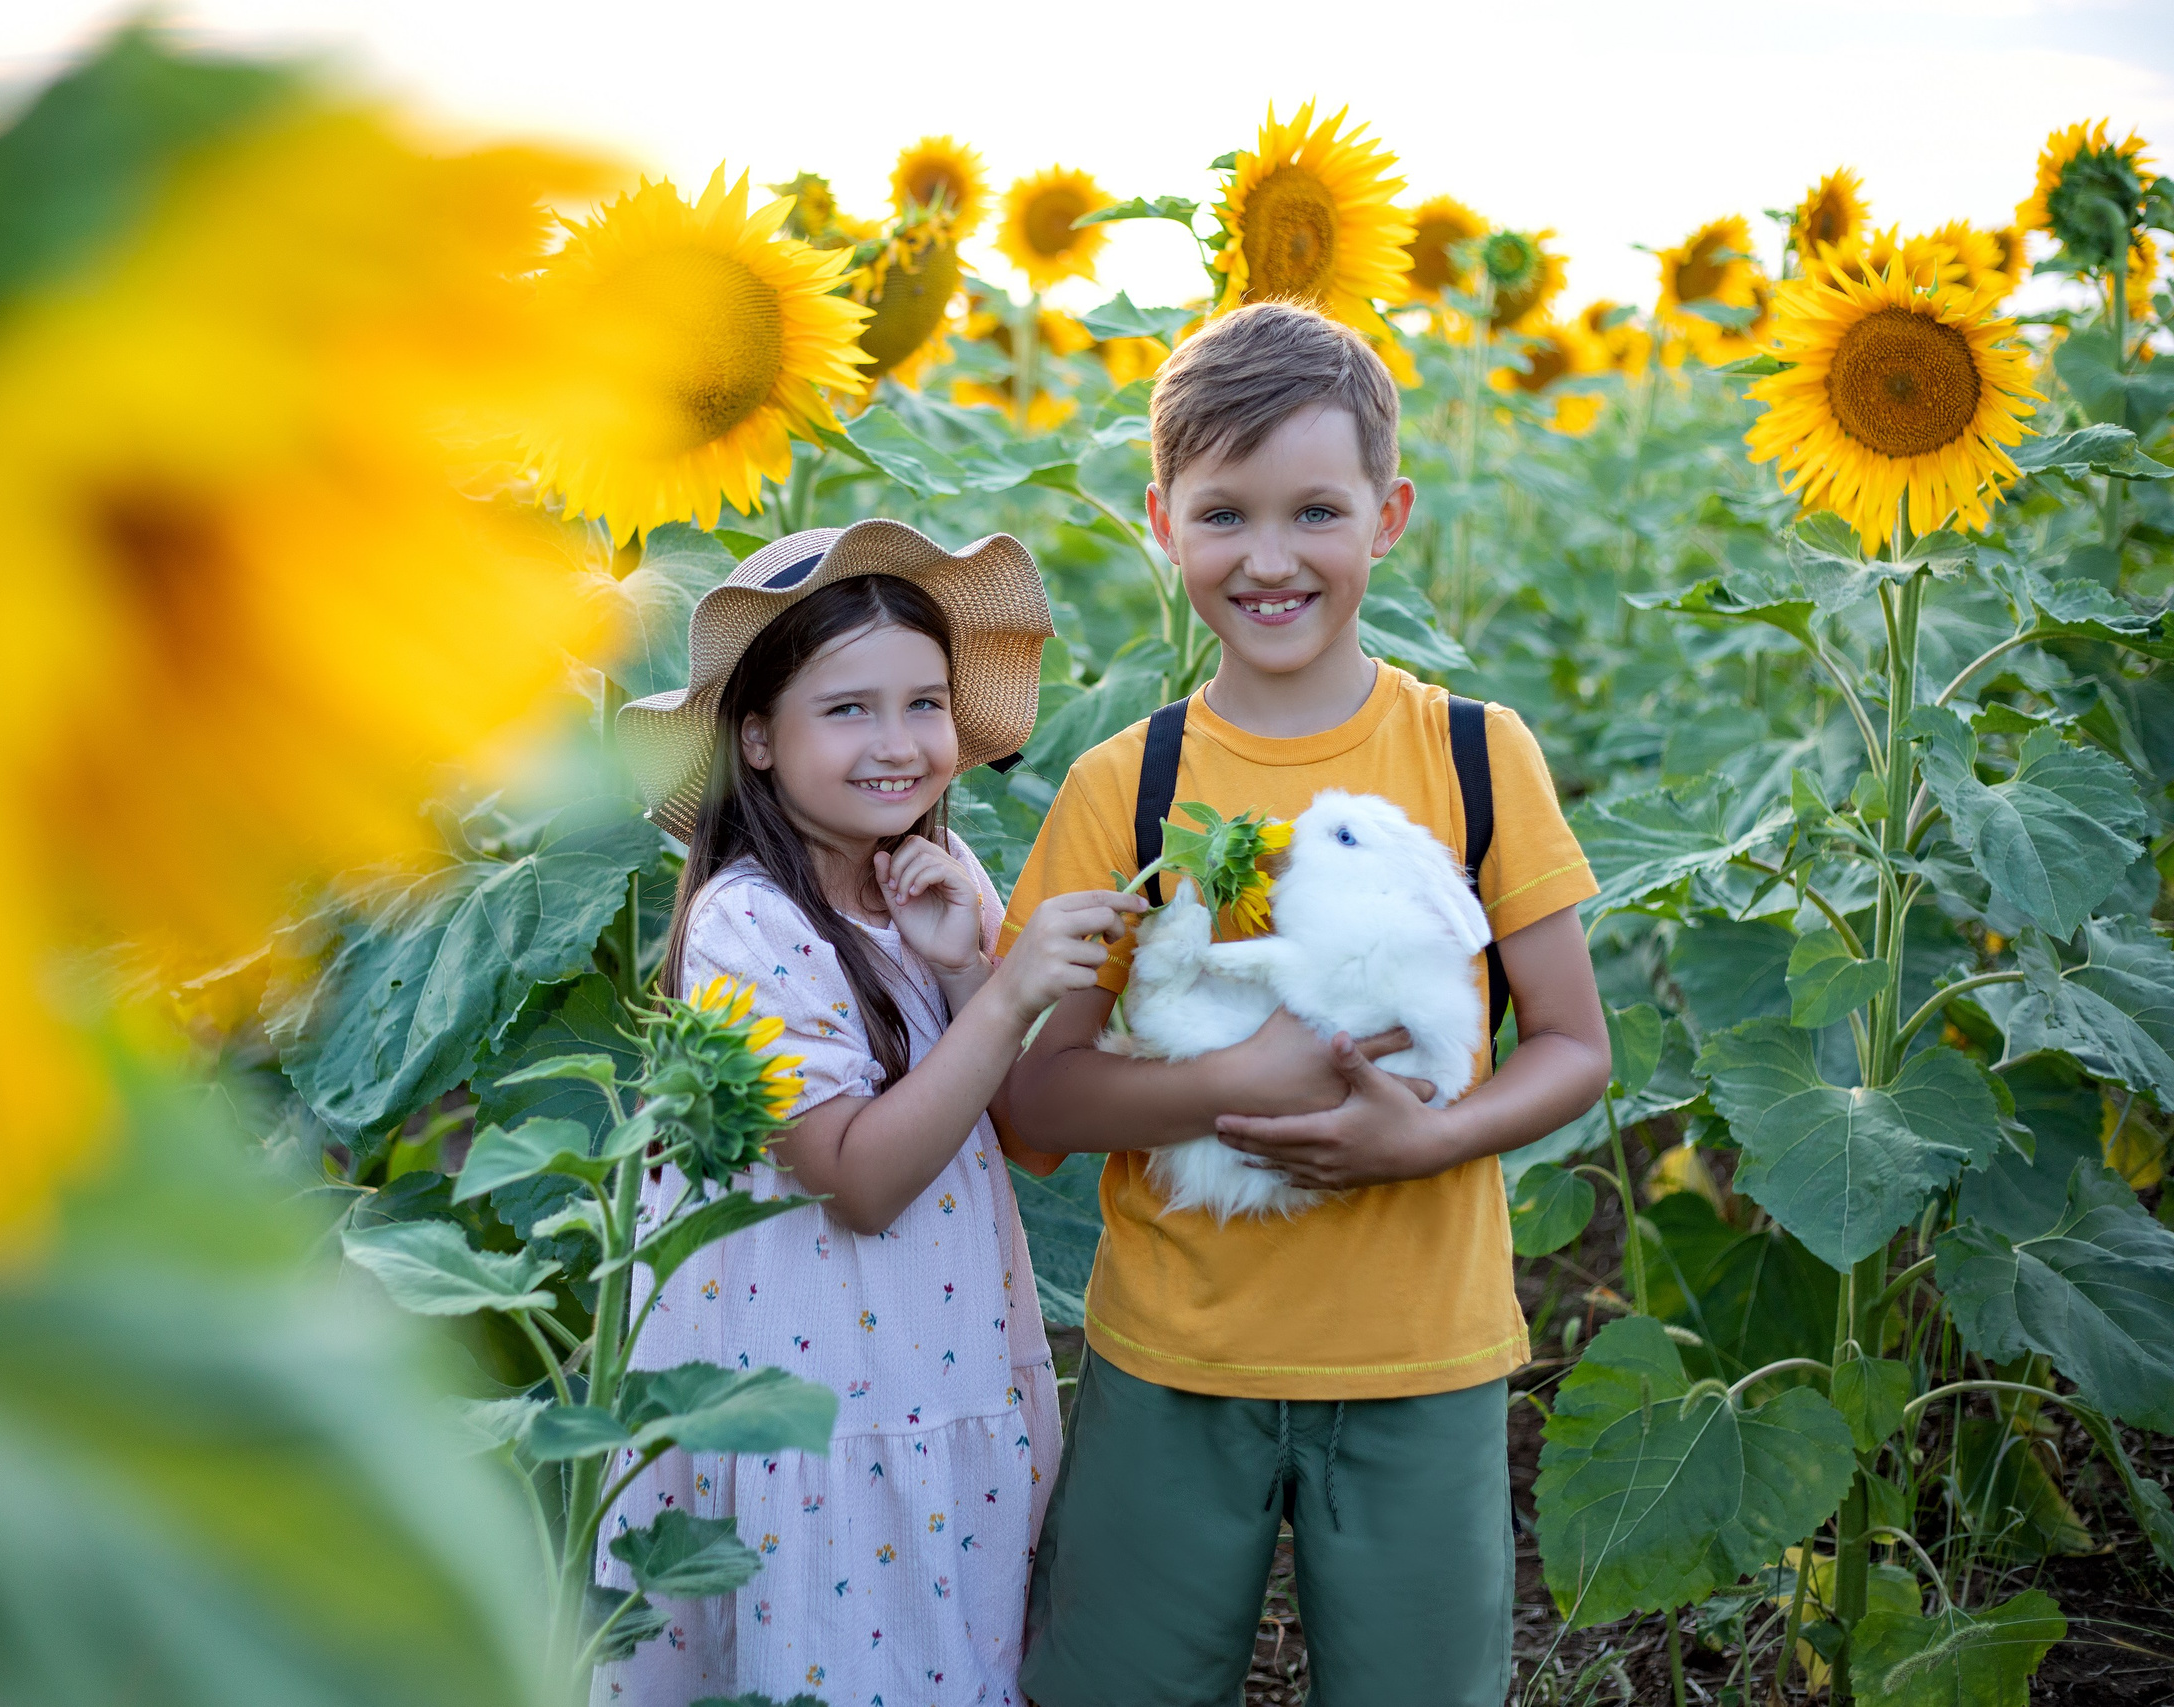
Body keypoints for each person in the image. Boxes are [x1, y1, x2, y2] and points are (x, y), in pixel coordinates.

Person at [997, 302, 1613, 1707]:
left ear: (1389, 514)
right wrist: (1244, 1079)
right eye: (1225, 514)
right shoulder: (1126, 785)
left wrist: (1423, 1141)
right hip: (1174, 1349)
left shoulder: (1471, 752)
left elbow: (1575, 1046)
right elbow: (1035, 1093)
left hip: (1420, 1352)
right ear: (1163, 521)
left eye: (1316, 509)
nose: (1269, 559)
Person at [596, 520, 1143, 1705]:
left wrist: (961, 969)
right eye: (847, 710)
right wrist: (1008, 995)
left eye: (924, 703)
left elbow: (1022, 1138)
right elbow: (859, 1178)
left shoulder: (933, 887)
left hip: (936, 1386)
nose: (898, 745)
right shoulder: (748, 928)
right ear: (757, 736)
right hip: (819, 1411)